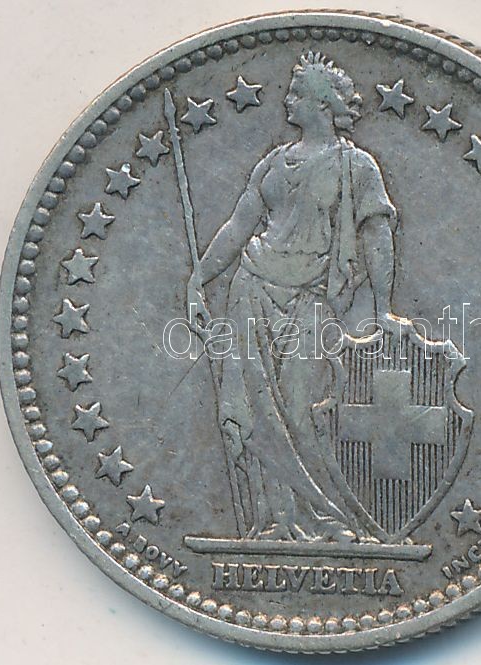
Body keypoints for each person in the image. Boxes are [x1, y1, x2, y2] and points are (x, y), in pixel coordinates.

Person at [187, 52, 404, 542]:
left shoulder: (356, 167)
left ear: (323, 105)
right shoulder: (273, 162)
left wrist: (384, 308)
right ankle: (276, 521)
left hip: (312, 296)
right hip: (252, 290)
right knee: (257, 411)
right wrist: (198, 279)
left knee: (304, 411)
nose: (287, 99)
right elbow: (238, 226)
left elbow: (377, 237)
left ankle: (328, 518)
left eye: (297, 93)